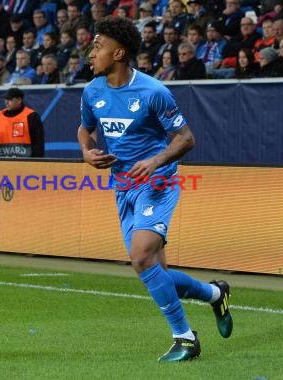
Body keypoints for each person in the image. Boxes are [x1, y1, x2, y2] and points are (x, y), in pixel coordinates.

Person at [77, 17, 232, 363]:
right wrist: (87, 152)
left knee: (141, 257)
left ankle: (185, 338)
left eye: (98, 46)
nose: (91, 53)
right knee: (152, 271)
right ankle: (213, 293)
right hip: (122, 185)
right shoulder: (93, 92)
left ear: (118, 53)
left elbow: (186, 138)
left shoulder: (153, 92)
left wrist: (155, 161)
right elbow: (85, 130)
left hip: (158, 181)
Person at [0, 87, 45, 158]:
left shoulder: (31, 116)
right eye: (5, 99)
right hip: (2, 164)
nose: (6, 102)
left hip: (25, 165)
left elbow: (38, 144)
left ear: (19, 100)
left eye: (10, 99)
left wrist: (36, 164)